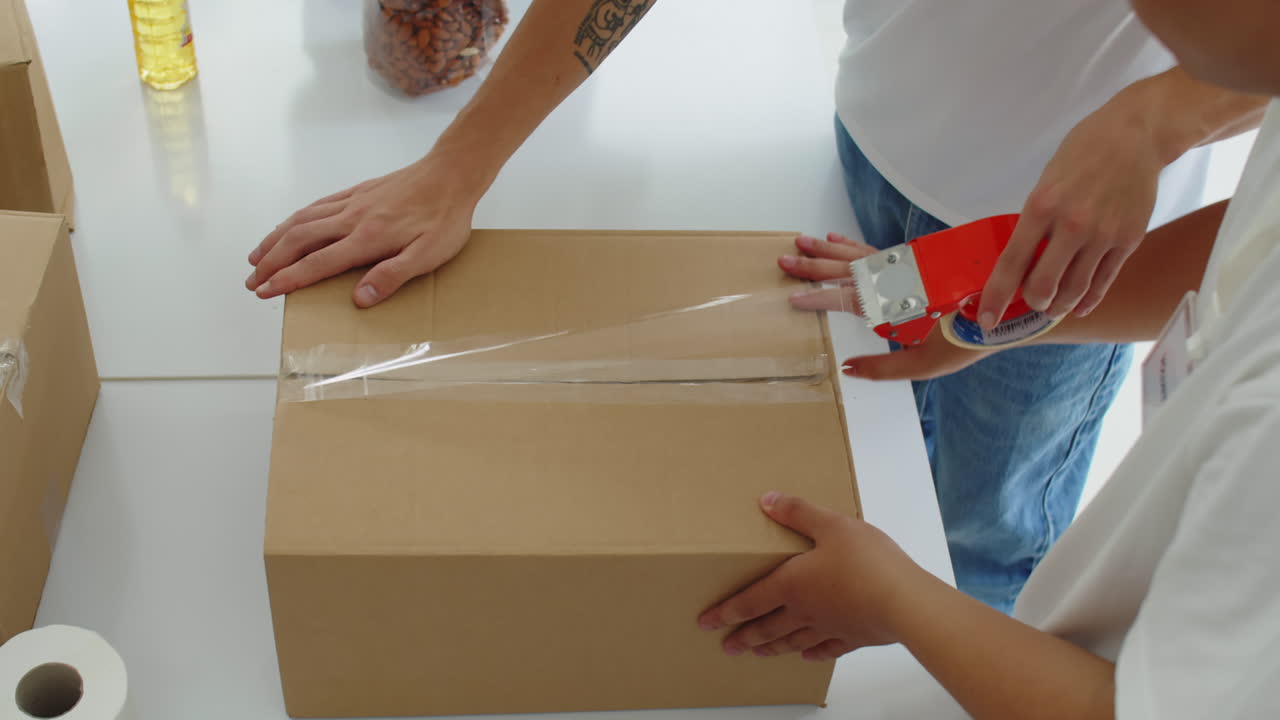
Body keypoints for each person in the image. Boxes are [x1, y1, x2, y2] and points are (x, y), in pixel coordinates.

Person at [243, 0, 1264, 611]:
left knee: (985, 528)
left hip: (1071, 245)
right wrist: (460, 165)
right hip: (878, 143)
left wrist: (1157, 116)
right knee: (875, 439)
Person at [696, 0, 1280, 712]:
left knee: (988, 534)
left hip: (1075, 654)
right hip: (921, 169)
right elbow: (1234, 250)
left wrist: (895, 601)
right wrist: (973, 325)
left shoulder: (1265, 429)